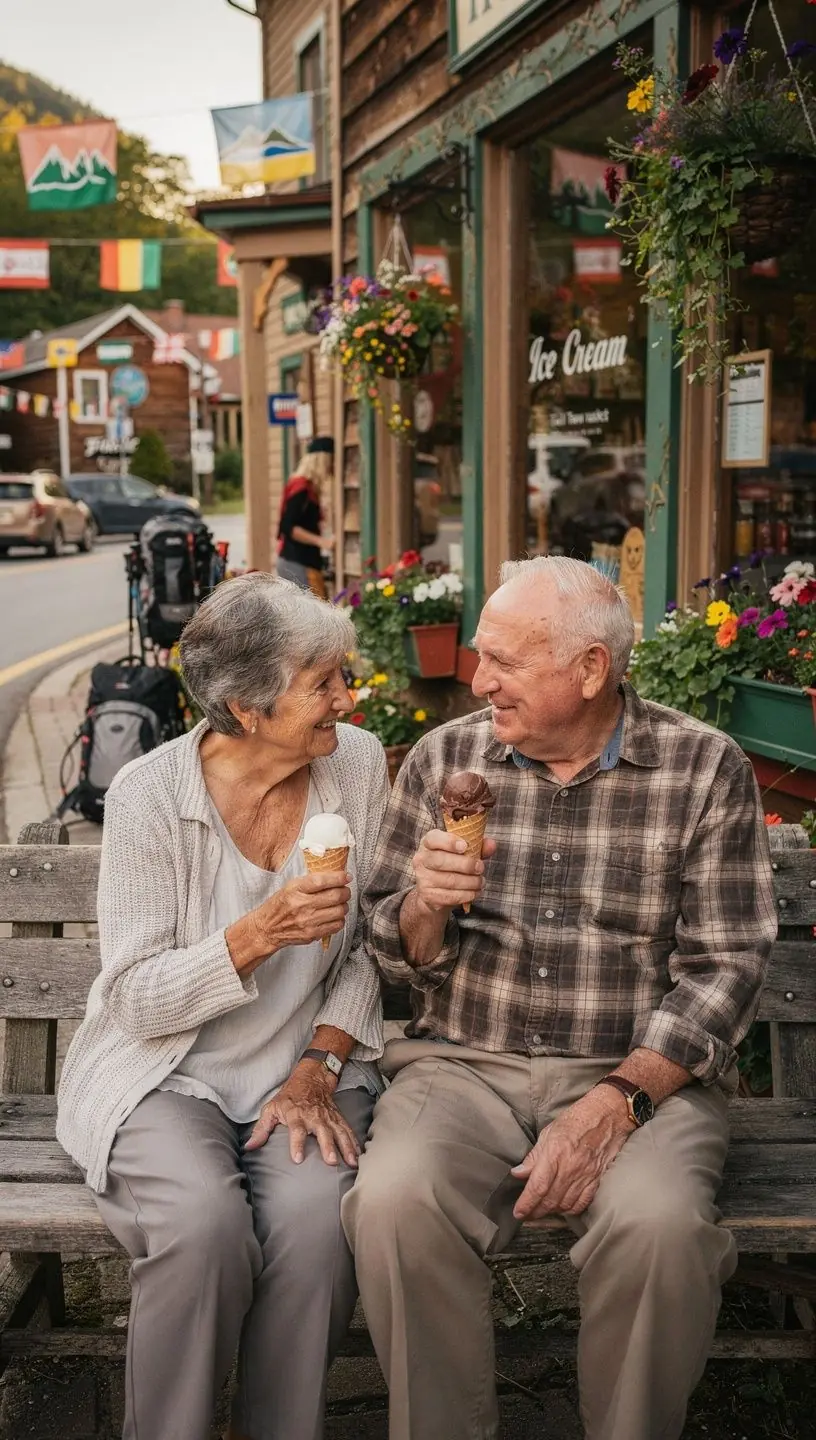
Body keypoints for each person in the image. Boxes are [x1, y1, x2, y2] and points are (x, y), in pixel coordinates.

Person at [347, 554, 776, 1440]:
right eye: (479, 654)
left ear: (590, 670)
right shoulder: (444, 758)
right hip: (462, 1064)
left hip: (639, 1078)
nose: (478, 679)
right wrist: (426, 901)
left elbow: (725, 966)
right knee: (393, 1201)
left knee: (661, 1230)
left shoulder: (701, 768)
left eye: (505, 660)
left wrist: (619, 1100)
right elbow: (388, 952)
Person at [57, 572, 389, 1440]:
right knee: (204, 1230)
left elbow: (370, 951)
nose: (346, 700)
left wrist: (319, 1066)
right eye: (323, 684)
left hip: (306, 1069)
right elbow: (134, 998)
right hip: (166, 1073)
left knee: (318, 1231)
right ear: (246, 709)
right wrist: (255, 936)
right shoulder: (148, 796)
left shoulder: (355, 763)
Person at [277, 435, 334, 596]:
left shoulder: (307, 487)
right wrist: (321, 541)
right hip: (297, 561)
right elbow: (288, 526)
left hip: (299, 560)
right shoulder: (302, 488)